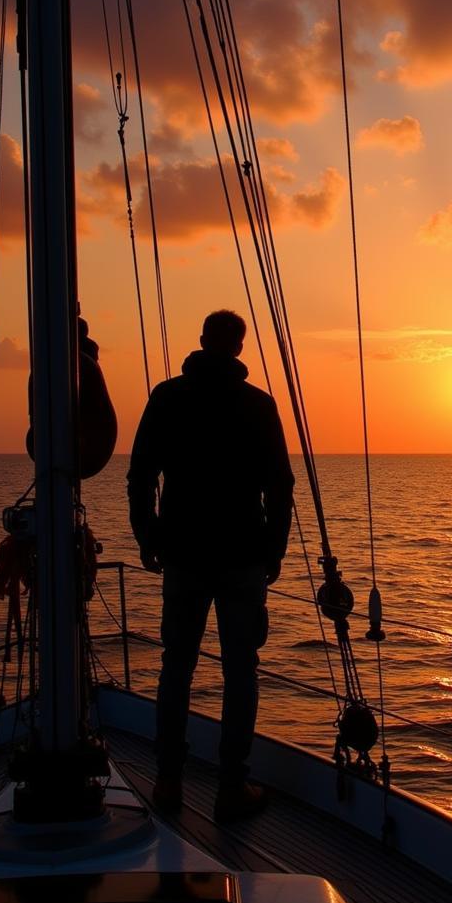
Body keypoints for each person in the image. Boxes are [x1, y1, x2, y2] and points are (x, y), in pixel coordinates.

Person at [127, 310, 294, 823]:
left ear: (201, 342)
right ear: (239, 348)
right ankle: (230, 787)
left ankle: (168, 782)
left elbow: (140, 477)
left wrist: (147, 538)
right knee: (240, 670)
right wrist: (274, 550)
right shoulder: (257, 405)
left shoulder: (168, 398)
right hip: (242, 555)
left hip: (183, 553)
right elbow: (280, 485)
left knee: (176, 667)